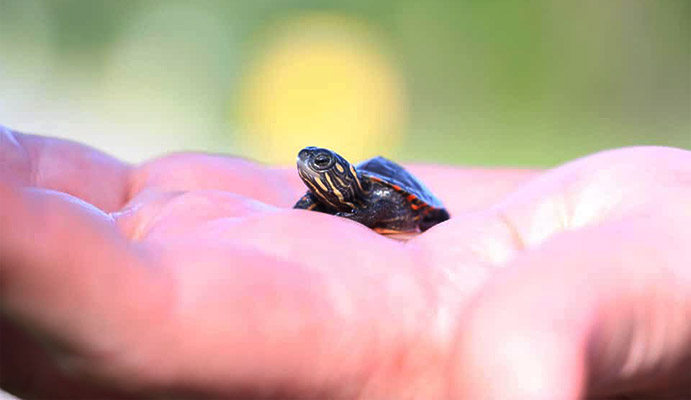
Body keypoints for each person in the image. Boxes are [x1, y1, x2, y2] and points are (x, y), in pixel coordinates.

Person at [0, 125, 689, 399]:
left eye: (322, 167)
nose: (312, 171)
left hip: (402, 203)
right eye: (312, 169)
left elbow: (427, 214)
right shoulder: (324, 201)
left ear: (342, 177)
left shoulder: (380, 197)